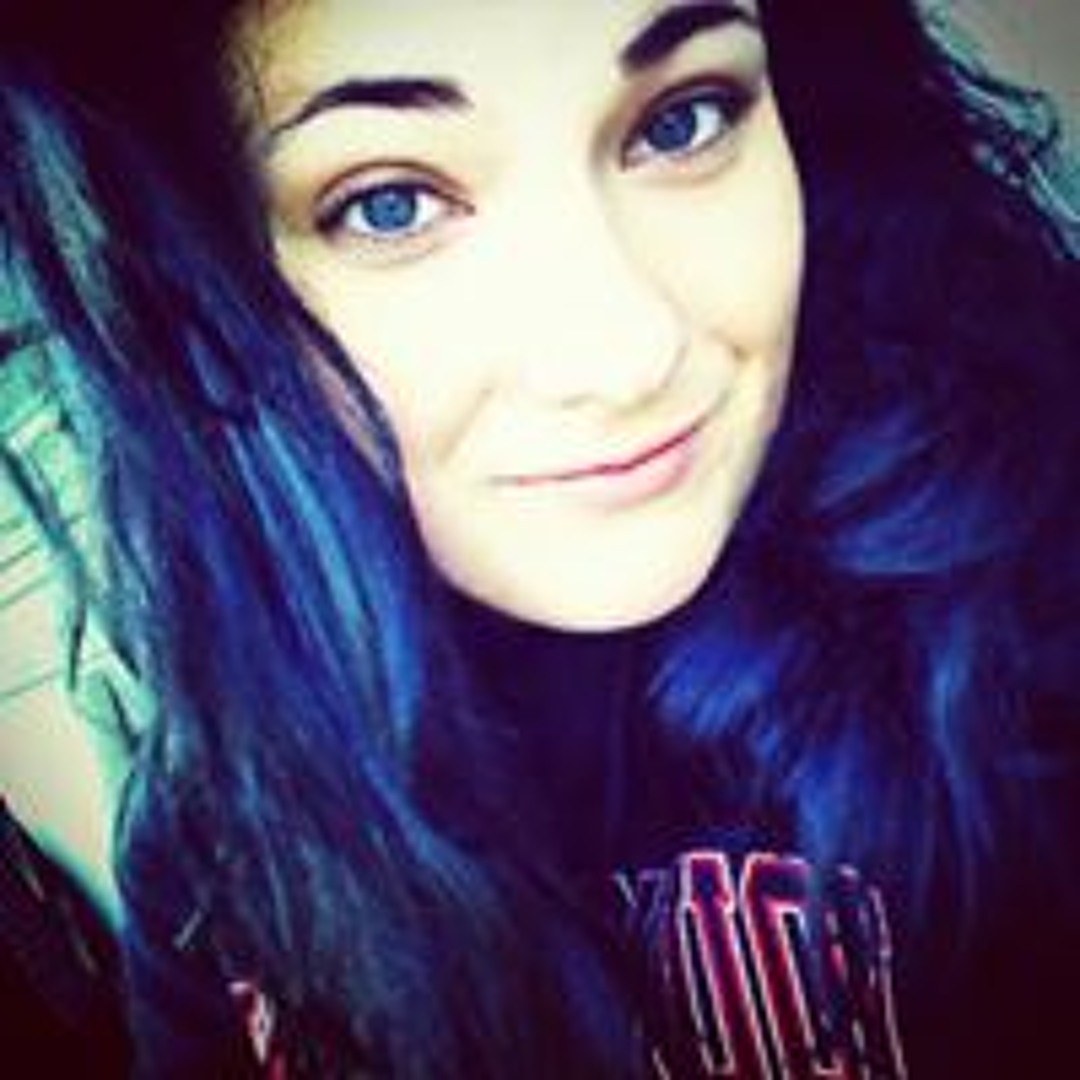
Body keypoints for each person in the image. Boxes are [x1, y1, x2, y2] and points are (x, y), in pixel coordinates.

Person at [5, 1, 1080, 1076]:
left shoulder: (1032, 614)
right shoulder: (220, 833)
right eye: (389, 204)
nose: (627, 356)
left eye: (683, 121)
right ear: (198, 281)